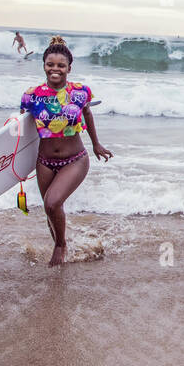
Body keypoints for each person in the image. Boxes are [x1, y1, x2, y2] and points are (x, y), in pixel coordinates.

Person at [21, 36, 112, 267]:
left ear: (69, 68)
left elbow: (88, 115)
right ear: (43, 65)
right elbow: (23, 128)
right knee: (50, 210)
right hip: (44, 161)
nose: (55, 69)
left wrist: (96, 144)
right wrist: (16, 163)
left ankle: (60, 246)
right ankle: (61, 244)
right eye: (50, 64)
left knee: (52, 203)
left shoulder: (80, 92)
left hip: (75, 159)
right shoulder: (31, 95)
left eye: (61, 65)